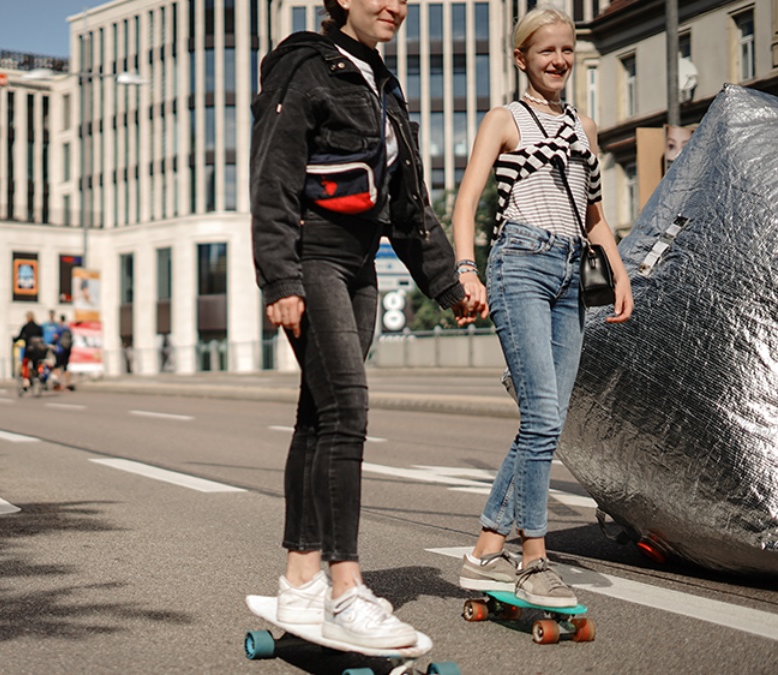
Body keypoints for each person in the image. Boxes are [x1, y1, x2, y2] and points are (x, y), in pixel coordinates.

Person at [250, 0, 477, 650]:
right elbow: (272, 176)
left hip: (360, 263)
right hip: (311, 255)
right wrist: (280, 279)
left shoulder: (381, 81)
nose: (396, 4)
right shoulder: (305, 66)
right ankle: (345, 588)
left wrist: (447, 283)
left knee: (319, 416)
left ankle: (300, 581)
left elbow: (405, 205)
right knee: (347, 409)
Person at [450, 6, 633, 608]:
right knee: (544, 417)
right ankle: (533, 559)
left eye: (566, 52)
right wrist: (466, 270)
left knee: (543, 424)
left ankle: (483, 549)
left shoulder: (586, 125)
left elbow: (593, 212)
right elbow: (467, 202)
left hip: (570, 277)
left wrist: (619, 268)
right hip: (519, 266)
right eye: (546, 51)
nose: (558, 61)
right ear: (521, 58)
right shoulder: (505, 120)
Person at [13, 311, 48, 390]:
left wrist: (14, 340)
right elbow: (42, 337)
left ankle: (26, 381)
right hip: (38, 351)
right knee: (37, 363)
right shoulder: (38, 327)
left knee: (25, 363)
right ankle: (38, 375)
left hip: (29, 350)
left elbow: (20, 337)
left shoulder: (26, 327)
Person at [54, 313, 75, 391]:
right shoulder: (67, 328)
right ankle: (68, 383)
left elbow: (55, 337)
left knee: (57, 367)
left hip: (59, 349)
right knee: (65, 367)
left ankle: (59, 383)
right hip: (67, 350)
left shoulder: (59, 328)